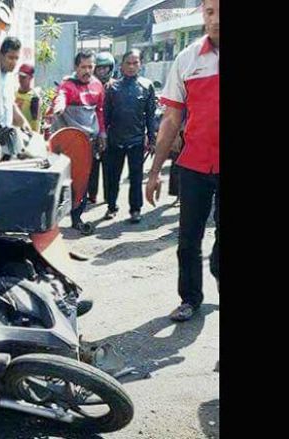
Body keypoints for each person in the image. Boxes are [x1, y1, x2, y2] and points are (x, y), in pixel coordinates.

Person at [145, 0, 219, 322]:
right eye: (211, 11)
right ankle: (190, 299)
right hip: (194, 165)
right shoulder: (187, 59)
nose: (216, 19)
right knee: (188, 239)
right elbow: (171, 119)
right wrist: (154, 171)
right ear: (203, 14)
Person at [49, 50, 107, 235]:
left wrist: (102, 134)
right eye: (83, 67)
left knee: (82, 181)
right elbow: (61, 96)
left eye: (91, 67)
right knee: (61, 180)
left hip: (87, 143)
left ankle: (76, 218)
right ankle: (51, 220)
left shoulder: (98, 86)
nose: (87, 71)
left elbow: (100, 111)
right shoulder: (68, 85)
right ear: (76, 67)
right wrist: (59, 105)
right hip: (67, 144)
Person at [103, 49, 157, 224]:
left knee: (136, 177)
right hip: (115, 140)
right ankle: (111, 206)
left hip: (137, 140)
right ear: (122, 65)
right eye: (128, 63)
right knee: (113, 176)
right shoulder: (112, 88)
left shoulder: (147, 86)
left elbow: (150, 115)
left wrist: (153, 139)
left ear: (140, 65)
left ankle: (135, 209)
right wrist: (103, 137)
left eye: (135, 63)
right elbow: (106, 117)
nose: (132, 66)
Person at [88, 52, 117, 204]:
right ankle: (91, 195)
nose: (102, 72)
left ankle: (109, 199)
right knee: (92, 167)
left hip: (110, 134)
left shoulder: (115, 86)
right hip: (93, 132)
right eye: (99, 69)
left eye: (105, 68)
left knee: (109, 168)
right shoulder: (89, 86)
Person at [0, 37, 32, 131]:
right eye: (10, 58)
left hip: (5, 134)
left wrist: (23, 122)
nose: (14, 62)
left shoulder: (9, 78)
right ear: (1, 55)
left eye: (16, 58)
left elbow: (10, 104)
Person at [14, 63, 42, 132]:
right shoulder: (14, 93)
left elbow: (35, 122)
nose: (20, 79)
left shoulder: (33, 98)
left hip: (26, 133)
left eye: (23, 77)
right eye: (19, 76)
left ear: (31, 78)